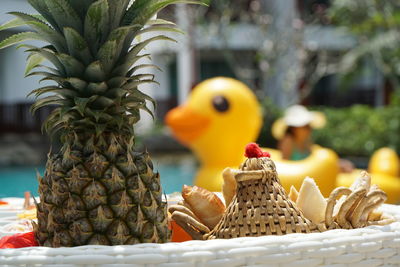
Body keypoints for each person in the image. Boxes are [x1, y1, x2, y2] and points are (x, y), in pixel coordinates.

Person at [272, 105, 354, 172]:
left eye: (309, 126)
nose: (309, 129)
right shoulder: (288, 140)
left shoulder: (306, 141)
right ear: (294, 128)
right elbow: (286, 166)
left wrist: (338, 165)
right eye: (305, 126)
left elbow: (316, 159)